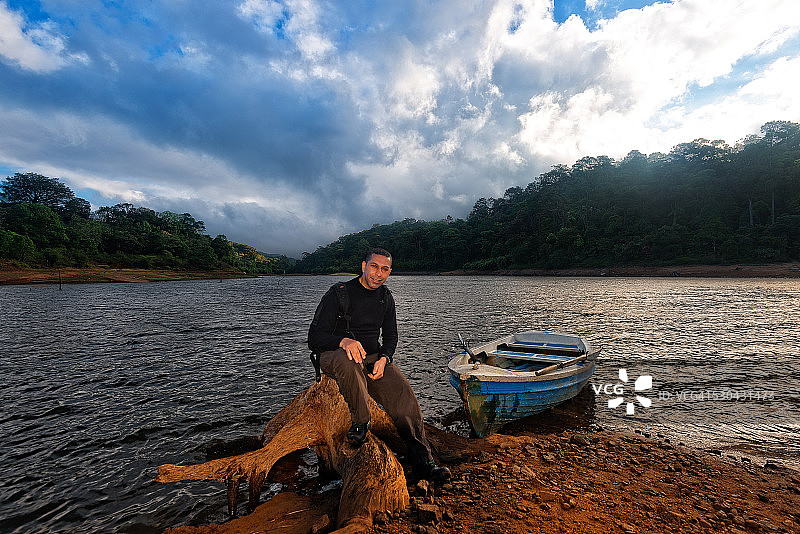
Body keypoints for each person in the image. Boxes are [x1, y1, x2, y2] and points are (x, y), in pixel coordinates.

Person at [308, 248, 451, 483]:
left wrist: (385, 358)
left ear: (390, 272)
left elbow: (391, 337)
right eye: (374, 266)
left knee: (404, 397)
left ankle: (424, 462)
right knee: (349, 359)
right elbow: (314, 337)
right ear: (363, 266)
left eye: (385, 269)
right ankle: (361, 422)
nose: (378, 273)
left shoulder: (385, 297)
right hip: (335, 356)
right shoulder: (338, 294)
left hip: (373, 357)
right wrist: (344, 341)